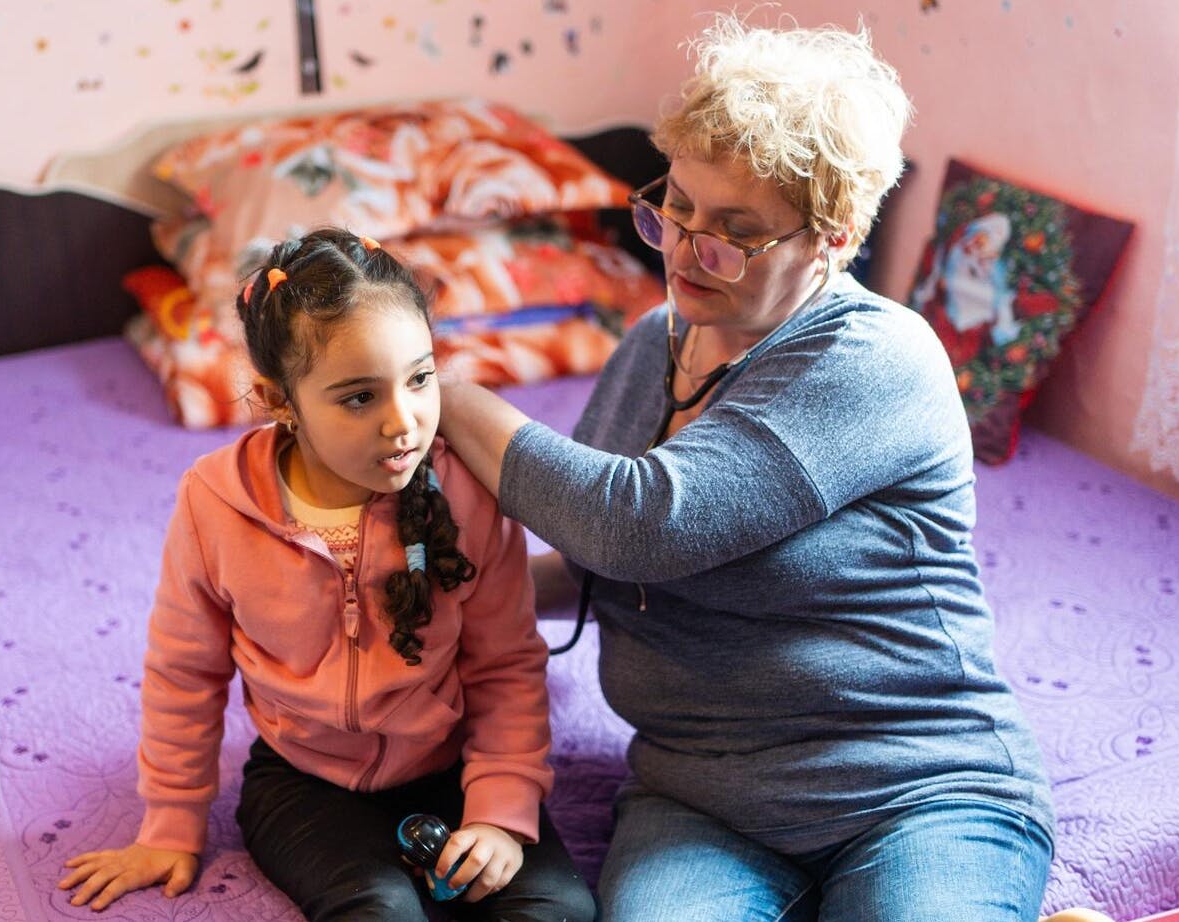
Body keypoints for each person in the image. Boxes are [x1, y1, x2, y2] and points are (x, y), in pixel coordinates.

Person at [435, 17, 1055, 922]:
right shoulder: (657, 342)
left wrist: (444, 392)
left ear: (833, 237)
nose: (685, 250)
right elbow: (604, 568)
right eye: (676, 206)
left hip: (914, 787)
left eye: (734, 231)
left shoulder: (875, 358)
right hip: (698, 799)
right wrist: (450, 592)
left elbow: (641, 525)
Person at [57, 229, 595, 922]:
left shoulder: (467, 495)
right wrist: (170, 825)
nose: (405, 423)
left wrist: (500, 811)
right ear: (279, 400)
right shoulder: (214, 503)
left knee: (559, 911)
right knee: (375, 911)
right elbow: (183, 673)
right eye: (358, 398)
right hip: (303, 780)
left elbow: (506, 665)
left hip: (456, 764)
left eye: (420, 379)